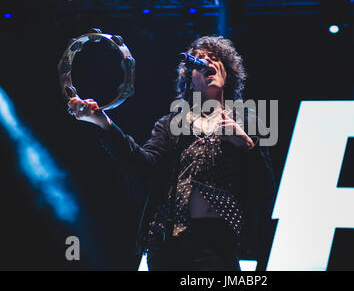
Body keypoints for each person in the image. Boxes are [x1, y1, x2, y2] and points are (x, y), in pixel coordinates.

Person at [67, 35, 276, 271]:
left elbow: (264, 190)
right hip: (166, 245)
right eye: (199, 60)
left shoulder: (248, 122)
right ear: (190, 80)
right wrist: (103, 122)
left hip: (216, 247)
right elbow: (144, 168)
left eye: (215, 58)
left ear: (227, 73)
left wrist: (246, 144)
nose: (206, 61)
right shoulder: (171, 125)